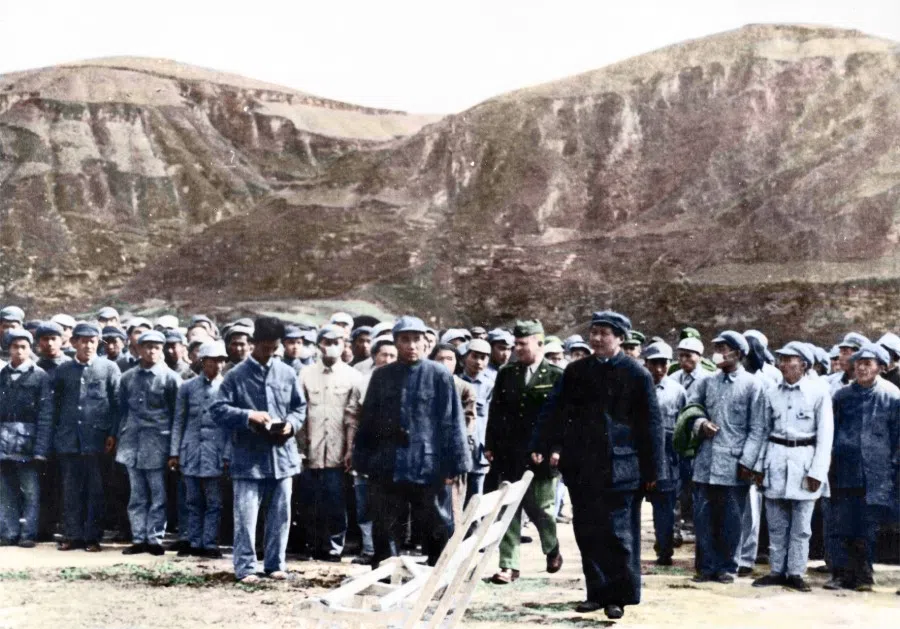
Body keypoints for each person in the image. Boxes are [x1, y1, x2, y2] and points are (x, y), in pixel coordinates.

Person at [532, 311, 664, 620]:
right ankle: (596, 592)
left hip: (622, 469)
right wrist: (540, 445)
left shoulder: (636, 374)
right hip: (582, 468)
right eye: (594, 332)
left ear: (620, 338)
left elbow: (651, 426)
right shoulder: (576, 372)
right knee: (588, 531)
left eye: (605, 333)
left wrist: (653, 471)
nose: (597, 338)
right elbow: (554, 411)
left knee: (619, 534)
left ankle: (619, 596)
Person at [351, 316, 470, 567]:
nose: (411, 345)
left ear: (426, 342)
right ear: (396, 342)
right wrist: (362, 460)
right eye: (405, 340)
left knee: (436, 522)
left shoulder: (438, 375)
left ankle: (440, 572)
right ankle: (385, 575)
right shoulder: (382, 376)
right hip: (388, 464)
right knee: (385, 523)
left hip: (428, 465)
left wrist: (454, 465)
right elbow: (369, 420)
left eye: (416, 339)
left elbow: (452, 421)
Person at [210, 317, 306, 583]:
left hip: (282, 457)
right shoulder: (236, 375)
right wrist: (248, 415)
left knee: (280, 515)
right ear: (253, 344)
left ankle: (275, 564)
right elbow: (217, 410)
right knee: (246, 517)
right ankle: (246, 567)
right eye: (265, 348)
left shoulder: (287, 372)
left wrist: (291, 425)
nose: (270, 354)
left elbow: (300, 407)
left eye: (274, 349)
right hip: (248, 458)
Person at [485, 320, 563, 585]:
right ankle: (508, 565)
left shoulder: (555, 375)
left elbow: (564, 418)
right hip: (509, 453)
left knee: (543, 508)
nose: (517, 349)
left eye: (522, 344)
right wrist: (490, 444)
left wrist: (555, 449)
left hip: (541, 454)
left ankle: (551, 548)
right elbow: (496, 411)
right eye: (515, 344)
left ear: (539, 343)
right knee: (509, 506)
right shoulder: (507, 373)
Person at [686, 331, 767, 583]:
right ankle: (705, 567)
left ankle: (727, 567)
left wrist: (747, 461)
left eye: (724, 347)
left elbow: (758, 428)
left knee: (731, 519)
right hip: (705, 462)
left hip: (734, 465)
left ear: (739, 353)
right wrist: (700, 424)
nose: (718, 352)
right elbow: (690, 411)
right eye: (717, 346)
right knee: (703, 517)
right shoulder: (707, 382)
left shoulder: (753, 385)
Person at [751, 342, 833, 592]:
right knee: (776, 522)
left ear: (804, 365)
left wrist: (818, 471)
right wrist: (758, 465)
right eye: (781, 359)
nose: (783, 364)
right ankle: (777, 570)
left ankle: (796, 571)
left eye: (789, 359)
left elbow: (825, 435)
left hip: (804, 459)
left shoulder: (818, 393)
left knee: (801, 525)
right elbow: (762, 430)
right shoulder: (771, 392)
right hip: (775, 458)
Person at [824, 343, 899, 591]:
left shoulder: (892, 396)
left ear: (879, 367)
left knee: (866, 526)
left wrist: (892, 465)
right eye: (858, 363)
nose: (862, 368)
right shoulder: (842, 396)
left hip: (875, 472)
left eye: (868, 363)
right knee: (841, 522)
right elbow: (831, 431)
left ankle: (863, 575)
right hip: (844, 470)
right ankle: (840, 574)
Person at [50, 323, 121, 552]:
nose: (88, 345)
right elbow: (55, 407)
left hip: (96, 440)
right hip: (69, 440)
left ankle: (92, 537)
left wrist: (112, 433)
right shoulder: (63, 371)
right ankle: (73, 535)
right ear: (73, 343)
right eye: (83, 340)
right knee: (71, 489)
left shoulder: (109, 369)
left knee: (95, 489)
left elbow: (117, 405)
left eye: (92, 341)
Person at [297, 325, 362, 561]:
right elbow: (300, 414)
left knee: (336, 501)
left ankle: (334, 547)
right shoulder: (305, 374)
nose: (331, 346)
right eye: (326, 341)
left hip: (338, 449)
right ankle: (314, 544)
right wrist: (300, 447)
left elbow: (353, 417)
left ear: (344, 345)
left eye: (337, 342)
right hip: (312, 449)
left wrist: (350, 449)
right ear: (318, 345)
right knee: (311, 500)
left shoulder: (353, 376)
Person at [116, 330, 182, 555]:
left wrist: (174, 450)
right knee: (137, 494)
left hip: (158, 443)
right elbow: (122, 411)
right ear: (138, 349)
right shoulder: (127, 378)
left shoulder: (171, 378)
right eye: (147, 347)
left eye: (156, 347)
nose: (151, 351)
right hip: (132, 442)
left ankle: (154, 538)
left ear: (162, 349)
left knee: (158, 494)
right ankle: (138, 537)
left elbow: (177, 416)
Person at [169, 341, 230, 558]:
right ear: (203, 362)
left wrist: (226, 454)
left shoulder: (227, 388)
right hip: (191, 451)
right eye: (213, 360)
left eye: (221, 361)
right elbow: (179, 420)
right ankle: (194, 542)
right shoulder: (187, 387)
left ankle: (210, 543)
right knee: (192, 500)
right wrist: (175, 452)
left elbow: (230, 426)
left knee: (214, 501)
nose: (218, 365)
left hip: (215, 453)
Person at [347, 335, 397, 565]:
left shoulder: (404, 380)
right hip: (367, 450)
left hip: (394, 453)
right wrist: (351, 449)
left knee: (392, 505)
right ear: (374, 356)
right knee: (365, 502)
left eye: (392, 355)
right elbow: (353, 419)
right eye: (384, 354)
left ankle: (391, 553)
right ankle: (369, 549)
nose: (388, 359)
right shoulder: (362, 382)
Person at [0, 329, 53, 547]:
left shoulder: (39, 376)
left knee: (30, 490)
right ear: (8, 349)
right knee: (6, 490)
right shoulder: (2, 375)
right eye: (15, 347)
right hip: (3, 440)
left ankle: (28, 533)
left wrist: (41, 449)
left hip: (28, 442)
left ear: (30, 349)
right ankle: (10, 532)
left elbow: (46, 414)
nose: (19, 351)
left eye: (23, 347)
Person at [642, 341, 686, 566]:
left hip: (666, 455)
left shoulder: (677, 391)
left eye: (663, 363)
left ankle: (664, 549)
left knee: (664, 507)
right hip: (638, 452)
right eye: (654, 363)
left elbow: (683, 425)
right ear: (646, 363)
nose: (659, 369)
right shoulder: (637, 386)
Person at [459, 339, 494, 503]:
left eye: (484, 357)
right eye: (475, 356)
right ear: (465, 357)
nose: (479, 362)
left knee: (476, 496)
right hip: (460, 444)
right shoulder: (456, 382)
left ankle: (475, 526)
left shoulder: (490, 386)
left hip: (480, 447)